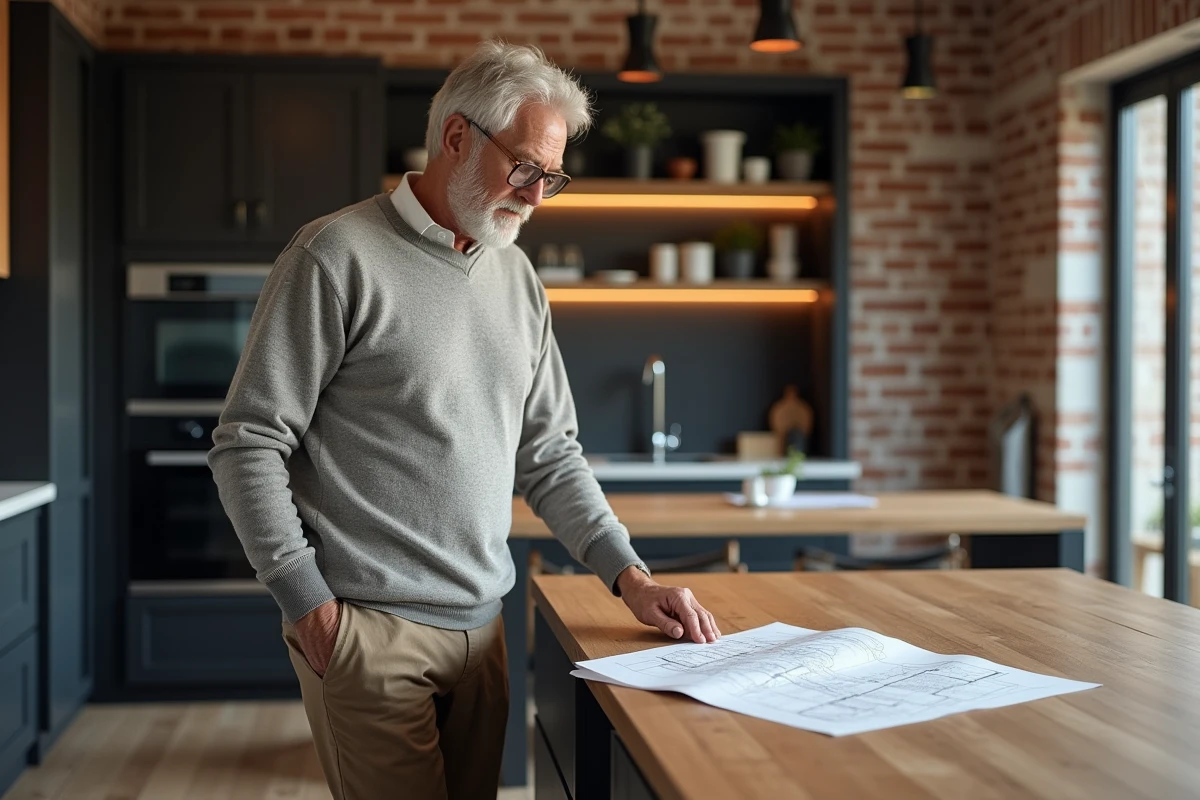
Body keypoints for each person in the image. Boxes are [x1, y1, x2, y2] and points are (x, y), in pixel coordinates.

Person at [208, 40, 720, 800]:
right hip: (365, 630)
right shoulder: (334, 255)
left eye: (552, 177)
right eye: (526, 169)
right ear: (456, 137)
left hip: (485, 632)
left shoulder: (517, 277)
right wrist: (310, 608)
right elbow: (247, 442)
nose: (539, 196)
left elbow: (551, 455)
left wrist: (633, 579)